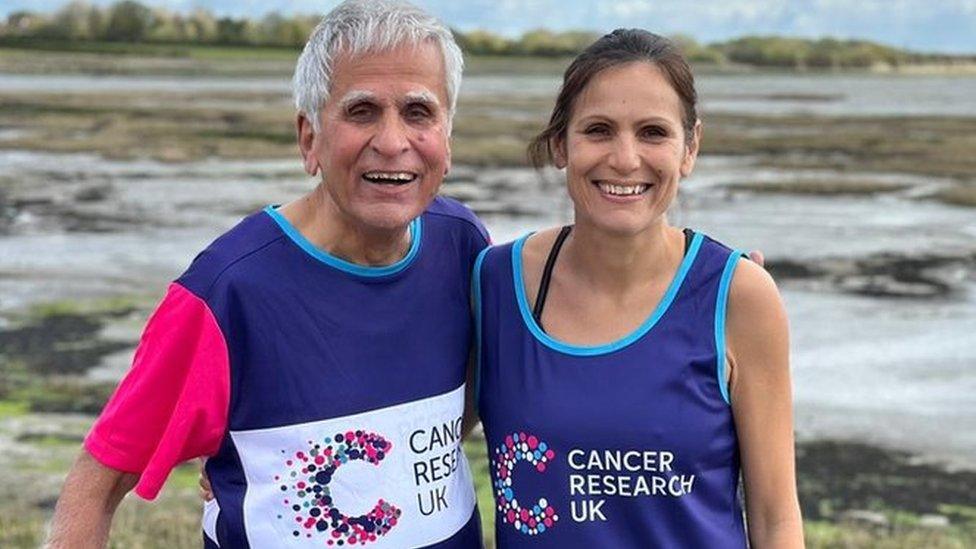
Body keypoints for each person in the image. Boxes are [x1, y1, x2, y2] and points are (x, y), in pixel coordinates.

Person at [46, 1, 487, 547]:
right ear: (309, 139)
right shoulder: (226, 293)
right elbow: (98, 480)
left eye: (419, 112)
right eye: (361, 111)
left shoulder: (462, 244)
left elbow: (457, 400)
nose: (393, 141)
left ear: (448, 137)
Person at [473, 30, 803, 547]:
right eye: (598, 130)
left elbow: (775, 518)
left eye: (653, 132)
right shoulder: (494, 283)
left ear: (689, 148)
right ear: (561, 144)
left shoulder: (739, 296)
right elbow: (419, 431)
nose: (625, 159)